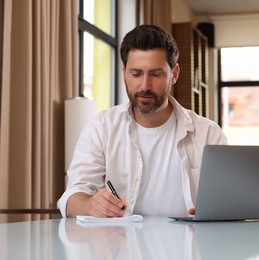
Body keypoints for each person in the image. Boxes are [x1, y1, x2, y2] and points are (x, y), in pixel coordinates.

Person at [58, 24, 228, 218]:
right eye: (136, 74)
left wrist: (218, 212)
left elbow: (228, 197)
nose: (145, 85)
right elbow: (72, 197)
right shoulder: (101, 128)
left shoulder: (208, 134)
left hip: (190, 244)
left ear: (175, 74)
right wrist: (90, 205)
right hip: (121, 245)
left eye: (156, 74)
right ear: (124, 72)